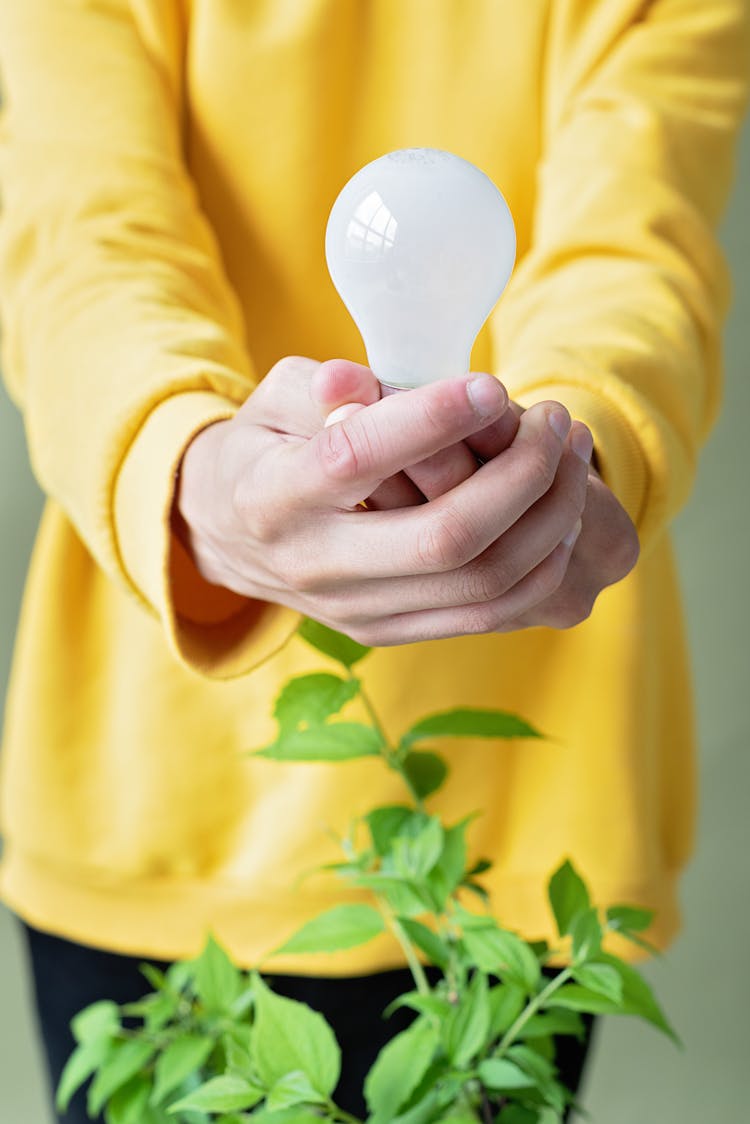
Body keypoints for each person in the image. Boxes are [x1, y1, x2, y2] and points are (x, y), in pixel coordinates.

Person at [0, 1, 747, 1121]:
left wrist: (579, 447)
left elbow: (636, 246)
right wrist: (193, 467)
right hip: (157, 800)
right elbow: (85, 241)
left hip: (514, 838)